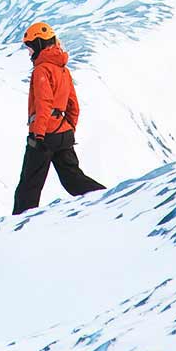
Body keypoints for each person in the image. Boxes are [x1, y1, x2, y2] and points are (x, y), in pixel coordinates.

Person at [12, 22, 104, 215]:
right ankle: (107, 198)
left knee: (28, 188)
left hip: (45, 135)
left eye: (29, 46)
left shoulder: (42, 70)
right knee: (74, 180)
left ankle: (16, 229)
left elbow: (44, 103)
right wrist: (68, 128)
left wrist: (38, 134)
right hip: (62, 132)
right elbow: (73, 105)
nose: (28, 52)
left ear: (38, 43)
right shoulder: (63, 69)